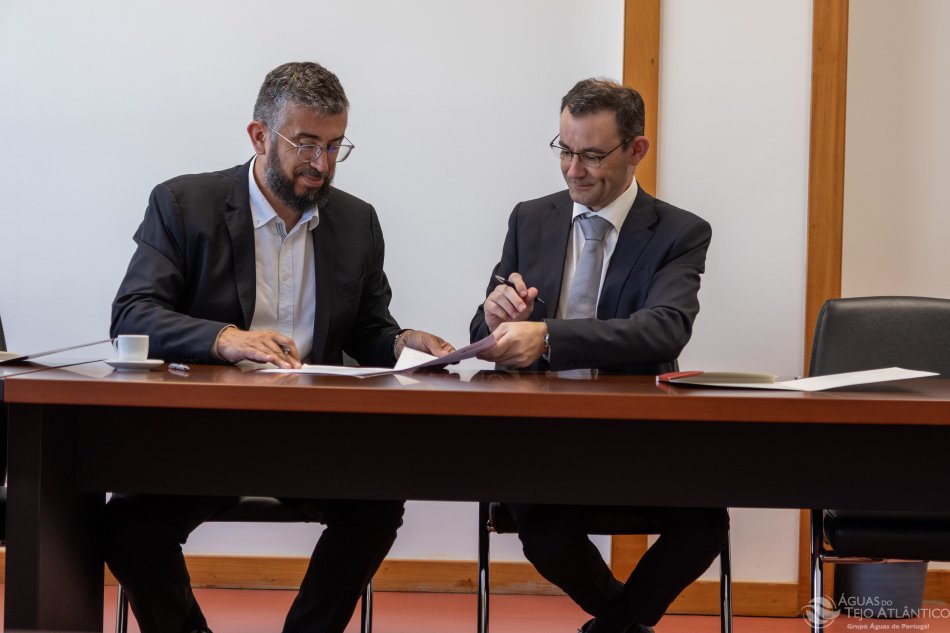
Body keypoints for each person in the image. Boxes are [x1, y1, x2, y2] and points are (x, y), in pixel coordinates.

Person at [107, 61, 453, 633]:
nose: (322, 164)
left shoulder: (357, 222)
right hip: (205, 432)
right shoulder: (184, 204)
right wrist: (225, 339)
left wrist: (401, 341)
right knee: (129, 527)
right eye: (306, 144)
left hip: (311, 434)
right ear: (259, 136)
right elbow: (133, 313)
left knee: (376, 508)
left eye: (335, 146)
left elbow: (368, 331)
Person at [469, 78, 729, 633]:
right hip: (543, 436)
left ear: (636, 150)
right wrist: (494, 316)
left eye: (591, 155)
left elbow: (665, 329)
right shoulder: (530, 219)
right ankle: (623, 626)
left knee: (705, 524)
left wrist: (549, 336)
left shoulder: (679, 232)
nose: (573, 170)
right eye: (563, 150)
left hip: (638, 435)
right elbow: (483, 331)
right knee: (541, 526)